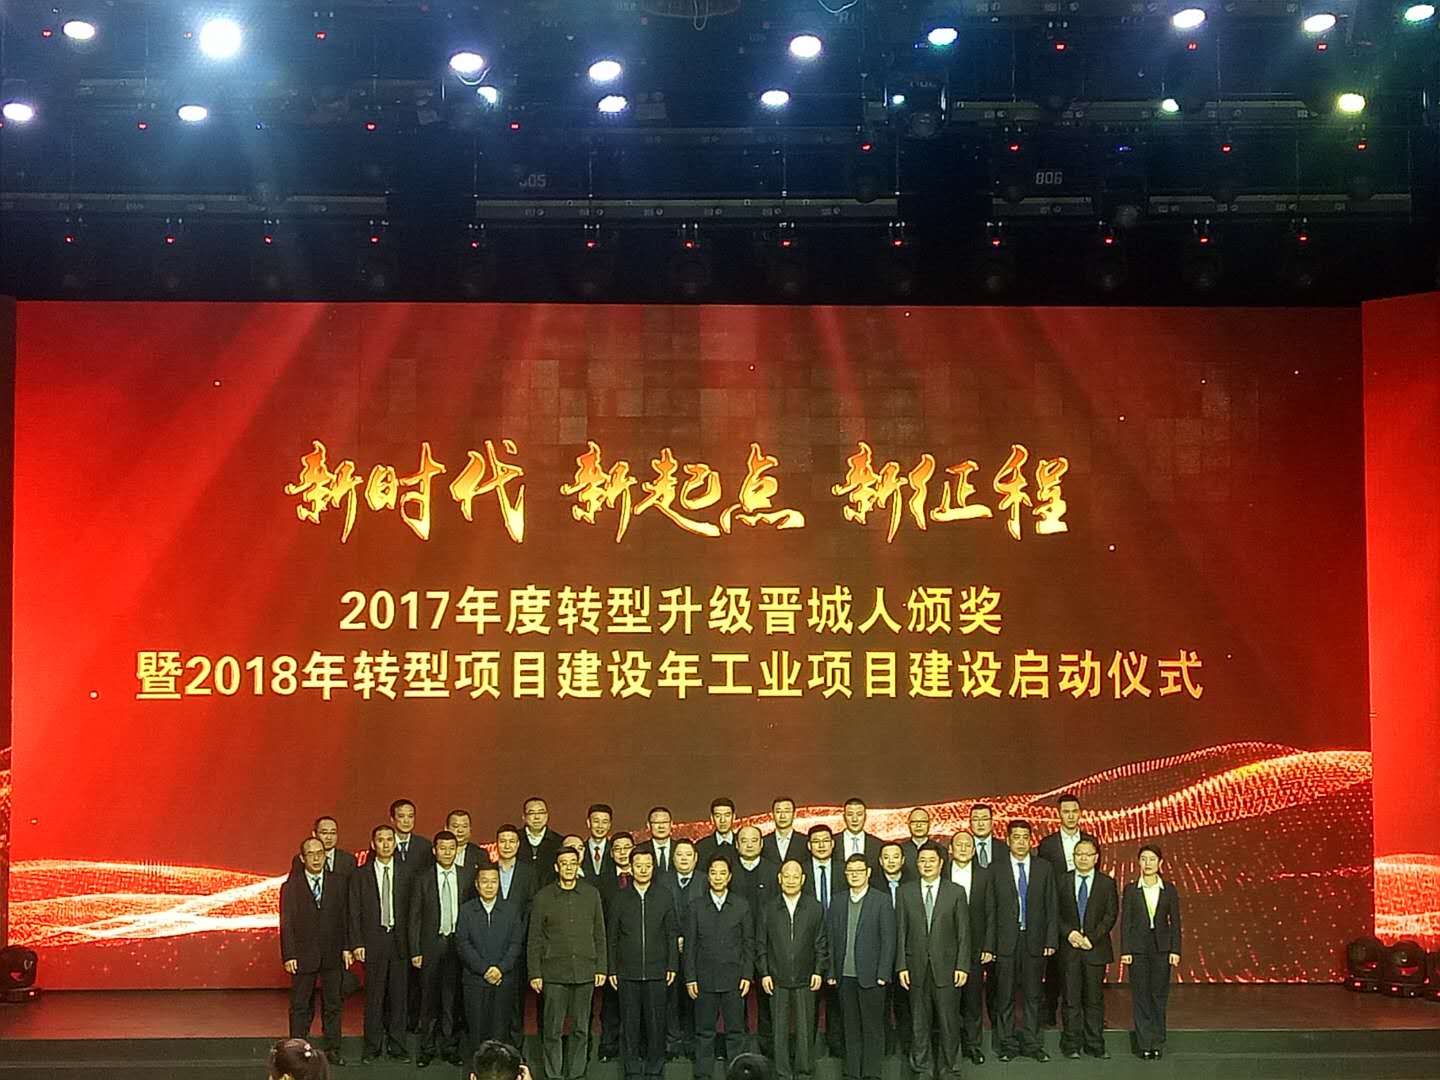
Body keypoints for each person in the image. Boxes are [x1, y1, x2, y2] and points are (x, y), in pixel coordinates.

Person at [529, 847, 608, 1080]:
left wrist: (601, 967)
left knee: (581, 1029)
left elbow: (600, 934)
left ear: (578, 865)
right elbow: (534, 938)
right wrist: (534, 972)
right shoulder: (543, 897)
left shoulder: (591, 894)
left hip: (585, 970)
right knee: (552, 1030)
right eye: (564, 863)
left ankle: (576, 1074)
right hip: (553, 972)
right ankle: (554, 1075)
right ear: (557, 867)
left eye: (573, 862)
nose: (568, 867)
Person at [895, 843, 969, 1080]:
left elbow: (964, 933)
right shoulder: (905, 892)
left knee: (949, 1023)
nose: (926, 865)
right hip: (915, 967)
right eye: (922, 860)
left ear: (941, 863)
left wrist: (962, 965)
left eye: (931, 860)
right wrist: (901, 965)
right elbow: (901, 932)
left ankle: (950, 1069)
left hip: (947, 968)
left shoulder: (955, 892)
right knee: (919, 1023)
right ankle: (922, 1069)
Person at [607, 847, 680, 1080]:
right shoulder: (620, 897)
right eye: (638, 865)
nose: (643, 870)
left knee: (656, 1024)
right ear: (631, 868)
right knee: (630, 1024)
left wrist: (672, 965)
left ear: (653, 867)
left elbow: (671, 934)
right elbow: (612, 937)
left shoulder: (664, 895)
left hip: (658, 970)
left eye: (648, 865)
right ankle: (631, 1069)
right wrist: (612, 969)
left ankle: (655, 1069)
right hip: (627, 972)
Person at [990, 819, 1057, 1063]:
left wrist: (1050, 939)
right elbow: (990, 909)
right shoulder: (995, 869)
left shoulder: (1044, 868)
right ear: (1008, 840)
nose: (1020, 842)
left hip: (1035, 939)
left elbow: (1051, 905)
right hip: (1005, 941)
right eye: (1016, 837)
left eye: (1025, 837)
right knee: (1004, 996)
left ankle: (1032, 1043)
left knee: (1033, 995)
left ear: (1031, 841)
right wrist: (990, 945)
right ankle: (1006, 1043)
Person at [757, 858, 830, 1080]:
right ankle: (782, 1073)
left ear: (803, 879)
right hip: (776, 977)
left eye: (795, 876)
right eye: (786, 876)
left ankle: (804, 1072)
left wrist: (818, 970)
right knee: (779, 1030)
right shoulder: (768, 908)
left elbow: (821, 942)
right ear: (779, 879)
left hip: (806, 977)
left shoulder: (814, 907)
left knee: (805, 1029)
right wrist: (764, 973)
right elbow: (761, 944)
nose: (791, 880)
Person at [280, 838, 352, 1066]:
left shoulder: (339, 882)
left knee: (333, 1004)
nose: (316, 858)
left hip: (333, 952)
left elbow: (346, 918)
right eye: (311, 854)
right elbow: (286, 923)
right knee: (301, 1005)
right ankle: (297, 1051)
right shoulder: (291, 887)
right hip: (303, 954)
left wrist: (347, 947)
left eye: (320, 853)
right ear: (302, 858)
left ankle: (333, 1049)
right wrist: (289, 954)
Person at [684, 854, 754, 1079]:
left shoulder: (741, 905)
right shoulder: (696, 906)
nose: (718, 877)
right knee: (704, 1032)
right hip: (704, 979)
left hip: (734, 979)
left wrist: (747, 975)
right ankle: (703, 1075)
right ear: (708, 876)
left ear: (729, 876)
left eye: (722, 873)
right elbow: (690, 946)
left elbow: (748, 943)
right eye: (713, 872)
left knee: (735, 1032)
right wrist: (690, 978)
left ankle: (737, 1075)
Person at [826, 854, 894, 1080]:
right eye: (850, 871)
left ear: (868, 873)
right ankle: (852, 1072)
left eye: (859, 871)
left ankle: (871, 1073)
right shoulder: (837, 901)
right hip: (844, 976)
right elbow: (831, 938)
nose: (854, 875)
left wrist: (884, 972)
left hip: (872, 976)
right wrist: (831, 971)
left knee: (872, 1027)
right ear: (845, 874)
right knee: (850, 1027)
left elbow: (888, 940)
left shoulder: (882, 900)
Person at [349, 824, 412, 1063]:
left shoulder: (408, 872)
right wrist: (356, 943)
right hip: (372, 942)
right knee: (374, 998)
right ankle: (372, 1047)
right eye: (380, 840)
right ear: (373, 844)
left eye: (389, 839)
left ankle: (398, 1046)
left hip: (400, 942)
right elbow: (353, 911)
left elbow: (414, 911)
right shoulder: (360, 874)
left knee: (399, 998)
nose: (385, 844)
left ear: (395, 843)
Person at [409, 830, 471, 1067]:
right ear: (434, 851)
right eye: (442, 848)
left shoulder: (466, 875)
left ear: (456, 850)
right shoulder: (422, 878)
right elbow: (414, 917)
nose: (447, 852)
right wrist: (415, 950)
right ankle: (427, 1048)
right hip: (430, 947)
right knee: (428, 1000)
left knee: (452, 1001)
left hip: (458, 945)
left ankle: (450, 1047)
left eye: (451, 848)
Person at [1037, 793, 1099, 1026]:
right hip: (1058, 913)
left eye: (1074, 811)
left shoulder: (1091, 841)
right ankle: (1050, 1014)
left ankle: (1088, 1016)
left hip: (1085, 914)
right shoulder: (1048, 844)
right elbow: (1044, 879)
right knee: (1055, 966)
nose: (1070, 816)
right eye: (1066, 812)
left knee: (1086, 970)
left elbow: (1096, 880)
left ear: (1080, 813)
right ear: (1059, 814)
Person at [1120, 843, 1182, 1061]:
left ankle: (1157, 1042)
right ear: (1138, 862)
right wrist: (1125, 950)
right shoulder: (1131, 889)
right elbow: (1126, 922)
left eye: (1152, 859)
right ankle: (1144, 1043)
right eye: (1144, 859)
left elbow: (1175, 922)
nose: (1148, 863)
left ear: (1160, 863)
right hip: (1137, 949)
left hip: (1162, 949)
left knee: (1158, 995)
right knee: (1141, 995)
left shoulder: (1169, 889)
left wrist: (1175, 950)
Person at [1057, 838, 1116, 1061]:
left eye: (1087, 854)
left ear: (1096, 858)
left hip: (1095, 949)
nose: (1083, 858)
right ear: (1073, 857)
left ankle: (1095, 1044)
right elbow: (1054, 912)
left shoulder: (1106, 883)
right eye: (1078, 854)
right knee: (1070, 999)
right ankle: (1071, 1044)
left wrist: (1092, 938)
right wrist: (1069, 933)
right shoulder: (1062, 881)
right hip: (1069, 949)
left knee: (1094, 1000)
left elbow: (1110, 915)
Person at [457, 864, 527, 1053]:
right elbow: (463, 944)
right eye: (485, 881)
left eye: (494, 881)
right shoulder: (466, 911)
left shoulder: (511, 910)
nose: (489, 886)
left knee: (500, 1032)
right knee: (477, 1032)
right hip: (475, 981)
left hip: (503, 980)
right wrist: (485, 970)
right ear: (477, 885)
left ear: (499, 884)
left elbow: (516, 944)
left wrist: (500, 969)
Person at [947, 831, 996, 1066]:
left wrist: (988, 945)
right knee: (947, 1000)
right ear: (950, 849)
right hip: (945, 947)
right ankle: (950, 1046)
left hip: (975, 947)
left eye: (968, 845)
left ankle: (973, 1045)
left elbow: (991, 912)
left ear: (974, 850)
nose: (964, 848)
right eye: (959, 844)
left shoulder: (985, 875)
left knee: (973, 999)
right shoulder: (941, 872)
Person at [805, 824, 841, 1060]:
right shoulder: (800, 871)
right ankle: (809, 1050)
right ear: (809, 846)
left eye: (825, 840)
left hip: (839, 941)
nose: (821, 845)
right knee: (810, 1000)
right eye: (816, 841)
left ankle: (837, 1047)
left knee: (838, 999)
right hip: (808, 944)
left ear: (833, 844)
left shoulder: (844, 870)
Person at [665, 838, 702, 1059]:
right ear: (673, 858)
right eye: (679, 854)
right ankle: (672, 1042)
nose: (684, 859)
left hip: (698, 950)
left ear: (696, 858)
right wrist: (675, 939)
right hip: (668, 948)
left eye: (688, 854)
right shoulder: (663, 881)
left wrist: (688, 939)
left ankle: (691, 1043)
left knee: (694, 997)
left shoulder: (704, 880)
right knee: (670, 997)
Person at [875, 842, 908, 1057]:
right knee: (882, 1003)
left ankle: (907, 1046)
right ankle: (885, 1047)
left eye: (895, 857)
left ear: (903, 860)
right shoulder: (874, 886)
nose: (891, 861)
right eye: (886, 857)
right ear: (880, 861)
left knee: (906, 1003)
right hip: (879, 953)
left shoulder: (913, 884)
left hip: (907, 951)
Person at [289, 816, 358, 879]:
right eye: (324, 833)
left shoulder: (348, 860)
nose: (329, 837)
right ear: (314, 834)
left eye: (333, 833)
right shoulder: (301, 860)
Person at [522, 796, 565, 886]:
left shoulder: (558, 841)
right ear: (524, 817)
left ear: (547, 816)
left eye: (541, 812)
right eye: (531, 813)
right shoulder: (515, 840)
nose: (537, 817)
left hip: (550, 892)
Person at [836, 798, 883, 872]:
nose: (855, 819)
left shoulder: (878, 845)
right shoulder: (833, 842)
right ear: (844, 817)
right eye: (850, 814)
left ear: (865, 817)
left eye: (859, 814)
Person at [695, 797, 740, 871]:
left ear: (734, 817)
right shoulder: (702, 847)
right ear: (712, 819)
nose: (722, 820)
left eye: (727, 815)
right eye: (718, 816)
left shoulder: (742, 844)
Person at [390, 798, 432, 873]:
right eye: (401, 816)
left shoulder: (425, 846)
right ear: (392, 819)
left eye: (410, 816)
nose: (406, 821)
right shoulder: (384, 845)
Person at [762, 797, 802, 865]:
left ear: (794, 814)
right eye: (778, 812)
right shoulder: (763, 842)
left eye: (787, 811)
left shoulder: (804, 841)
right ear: (772, 815)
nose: (782, 816)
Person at [584, 803, 616, 883]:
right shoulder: (581, 850)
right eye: (596, 821)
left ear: (609, 825)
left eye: (604, 822)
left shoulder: (615, 849)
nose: (600, 826)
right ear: (588, 823)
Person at [899, 808, 934, 876]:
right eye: (914, 822)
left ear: (929, 824)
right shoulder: (900, 850)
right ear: (908, 824)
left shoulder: (940, 850)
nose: (918, 825)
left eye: (923, 822)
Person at [643, 806, 676, 878]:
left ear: (671, 824)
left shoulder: (679, 848)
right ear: (648, 825)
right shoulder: (640, 849)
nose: (661, 826)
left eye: (665, 822)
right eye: (656, 822)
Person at [967, 804, 1000, 870]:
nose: (980, 824)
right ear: (970, 823)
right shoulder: (964, 848)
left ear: (992, 822)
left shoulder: (1004, 848)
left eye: (985, 819)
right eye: (976, 819)